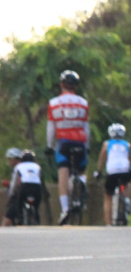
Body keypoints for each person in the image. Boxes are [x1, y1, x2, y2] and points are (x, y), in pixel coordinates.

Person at [46, 69, 89, 225]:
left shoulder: (53, 103)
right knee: (82, 168)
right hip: (80, 142)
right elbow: (86, 127)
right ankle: (82, 181)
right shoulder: (83, 103)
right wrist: (87, 146)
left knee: (63, 174)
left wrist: (49, 146)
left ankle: (65, 209)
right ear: (76, 86)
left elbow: (51, 128)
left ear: (61, 84)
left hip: (63, 142)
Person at [95, 123, 131, 225]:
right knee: (127, 182)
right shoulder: (128, 144)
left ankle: (108, 223)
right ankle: (126, 199)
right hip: (125, 170)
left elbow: (102, 159)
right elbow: (130, 160)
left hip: (112, 171)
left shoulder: (107, 144)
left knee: (108, 195)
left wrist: (99, 171)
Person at [4, 149, 43, 226]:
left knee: (19, 203)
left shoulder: (19, 166)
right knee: (36, 206)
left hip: (24, 187)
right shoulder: (37, 166)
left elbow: (14, 182)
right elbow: (39, 178)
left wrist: (11, 193)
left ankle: (20, 219)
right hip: (36, 187)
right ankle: (37, 218)